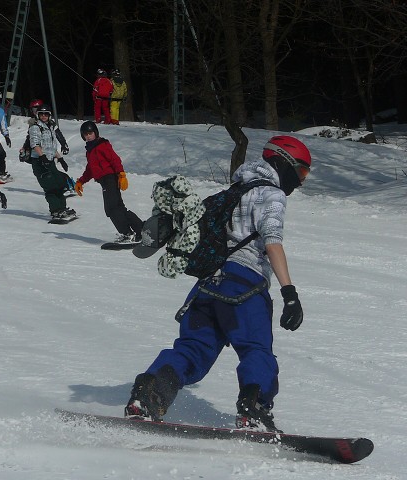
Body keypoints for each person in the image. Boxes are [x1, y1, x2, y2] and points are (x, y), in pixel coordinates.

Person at [124, 135, 312, 433]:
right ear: (284, 162)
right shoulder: (272, 194)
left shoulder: (236, 190)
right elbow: (272, 242)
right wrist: (290, 293)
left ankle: (147, 397)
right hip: (245, 286)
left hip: (208, 286)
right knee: (255, 349)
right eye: (302, 172)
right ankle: (255, 412)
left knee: (192, 348)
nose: (301, 181)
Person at [74, 121, 143, 244]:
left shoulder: (102, 145)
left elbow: (115, 159)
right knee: (119, 208)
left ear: (96, 133)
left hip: (110, 178)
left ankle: (127, 234)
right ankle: (141, 229)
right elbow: (90, 169)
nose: (88, 136)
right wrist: (81, 181)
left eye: (90, 133)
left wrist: (121, 175)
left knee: (111, 209)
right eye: (86, 134)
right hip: (105, 181)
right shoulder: (90, 150)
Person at [28, 104, 76, 221]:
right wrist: (42, 156)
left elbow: (51, 147)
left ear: (49, 115)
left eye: (46, 114)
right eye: (41, 114)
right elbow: (35, 144)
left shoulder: (49, 127)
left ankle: (62, 208)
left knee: (60, 184)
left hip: (49, 161)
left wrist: (60, 158)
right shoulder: (35, 127)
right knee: (50, 187)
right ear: (38, 115)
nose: (44, 116)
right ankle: (55, 211)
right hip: (40, 162)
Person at [20, 99, 75, 195]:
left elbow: (57, 133)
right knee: (47, 172)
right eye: (33, 109)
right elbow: (31, 138)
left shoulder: (50, 123)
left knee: (52, 171)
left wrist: (63, 144)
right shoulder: (33, 123)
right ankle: (59, 187)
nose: (36, 112)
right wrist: (25, 149)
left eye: (37, 109)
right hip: (38, 153)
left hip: (47, 152)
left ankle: (65, 184)